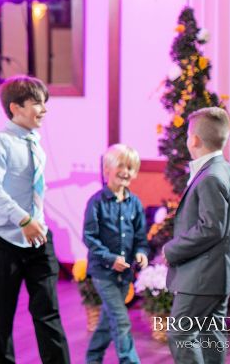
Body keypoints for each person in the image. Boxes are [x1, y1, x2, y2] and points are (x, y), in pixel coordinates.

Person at [0, 75, 70, 363]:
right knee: (1, 319)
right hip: (5, 240)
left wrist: (34, 223)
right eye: (37, 103)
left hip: (38, 238)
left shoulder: (35, 141)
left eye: (44, 103)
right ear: (15, 108)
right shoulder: (0, 142)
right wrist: (23, 220)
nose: (43, 109)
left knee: (49, 314)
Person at [163, 107, 230, 364]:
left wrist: (172, 250)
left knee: (181, 333)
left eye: (187, 133)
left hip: (203, 275)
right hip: (218, 273)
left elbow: (211, 228)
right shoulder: (225, 169)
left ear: (194, 139)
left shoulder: (211, 177)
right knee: (211, 332)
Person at [83, 144, 149, 364]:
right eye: (121, 166)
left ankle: (92, 358)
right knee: (121, 320)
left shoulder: (135, 204)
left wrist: (141, 253)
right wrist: (110, 259)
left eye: (131, 167)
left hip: (125, 276)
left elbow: (141, 237)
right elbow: (89, 237)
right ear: (106, 170)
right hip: (103, 274)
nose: (126, 171)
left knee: (107, 321)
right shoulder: (96, 202)